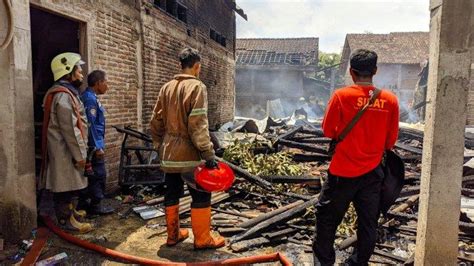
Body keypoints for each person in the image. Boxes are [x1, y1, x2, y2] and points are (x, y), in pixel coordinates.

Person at [313, 49, 399, 265]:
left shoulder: (341, 96)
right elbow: (390, 143)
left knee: (327, 221)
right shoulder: (390, 100)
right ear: (375, 71)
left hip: (341, 173)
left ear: (351, 72)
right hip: (372, 175)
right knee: (368, 224)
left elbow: (328, 131)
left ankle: (324, 262)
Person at [150, 48, 225, 249]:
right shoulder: (197, 87)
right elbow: (198, 124)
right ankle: (202, 239)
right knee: (201, 194)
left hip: (169, 154)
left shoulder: (166, 87)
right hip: (189, 155)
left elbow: (156, 120)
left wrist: (158, 144)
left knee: (172, 192)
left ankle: (173, 235)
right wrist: (208, 153)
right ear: (197, 66)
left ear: (180, 65)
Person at [40, 52, 93, 233]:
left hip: (66, 150)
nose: (81, 73)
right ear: (68, 71)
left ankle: (71, 213)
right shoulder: (63, 95)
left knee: (69, 186)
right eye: (78, 69)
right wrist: (80, 155)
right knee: (64, 187)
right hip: (65, 151)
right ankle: (66, 221)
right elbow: (70, 129)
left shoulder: (67, 93)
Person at [79, 70, 114, 215]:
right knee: (98, 175)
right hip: (94, 146)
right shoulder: (89, 99)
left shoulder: (92, 97)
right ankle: (95, 207)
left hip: (96, 143)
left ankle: (85, 205)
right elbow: (90, 125)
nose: (107, 86)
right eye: (106, 82)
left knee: (93, 175)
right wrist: (97, 147)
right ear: (98, 83)